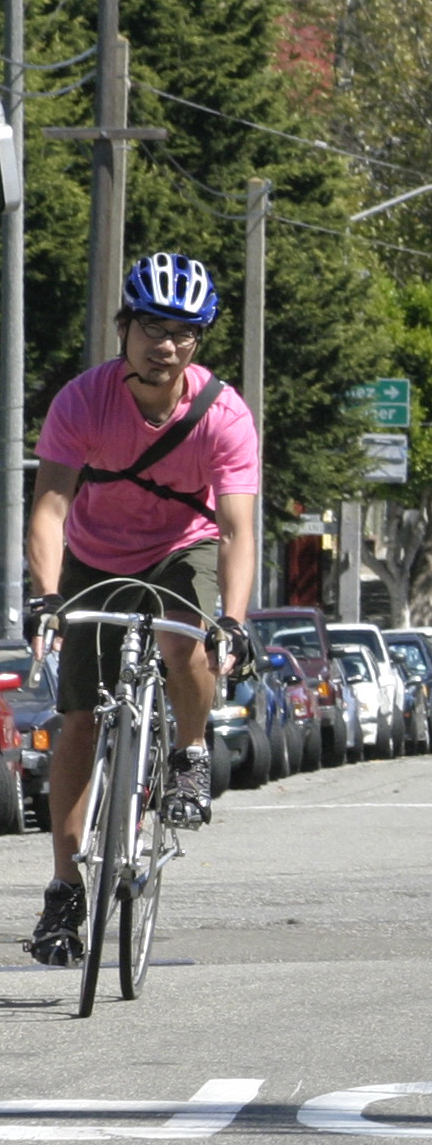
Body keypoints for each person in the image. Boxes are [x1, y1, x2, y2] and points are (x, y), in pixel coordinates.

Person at [24, 252, 259, 964]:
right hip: (94, 556)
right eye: (153, 326)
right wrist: (46, 598)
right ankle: (64, 892)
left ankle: (188, 753)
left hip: (180, 551)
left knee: (184, 638)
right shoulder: (83, 401)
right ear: (125, 327)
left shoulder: (223, 413)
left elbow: (240, 528)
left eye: (185, 332)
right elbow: (50, 507)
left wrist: (236, 622)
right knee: (78, 722)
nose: (167, 344)